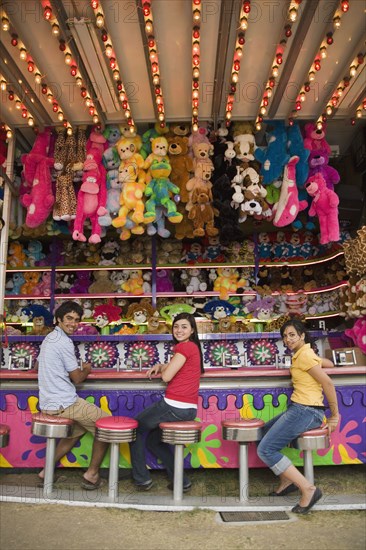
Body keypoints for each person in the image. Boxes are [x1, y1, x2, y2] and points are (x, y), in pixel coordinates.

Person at [257, 319, 339, 514]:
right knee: (262, 433)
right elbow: (329, 365)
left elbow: (328, 383)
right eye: (285, 336)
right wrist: (321, 361)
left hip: (306, 410)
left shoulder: (303, 356)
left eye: (292, 335)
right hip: (301, 409)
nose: (288, 339)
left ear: (302, 335)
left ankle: (308, 489)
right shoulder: (305, 353)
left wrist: (335, 415)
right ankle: (287, 480)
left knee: (266, 450)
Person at [37, 301, 109, 490]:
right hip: (64, 404)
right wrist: (86, 368)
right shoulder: (64, 342)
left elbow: (36, 366)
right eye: (69, 318)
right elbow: (77, 378)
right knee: (107, 425)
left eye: (76, 320)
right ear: (58, 319)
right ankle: (92, 475)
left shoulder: (49, 338)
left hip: (48, 403)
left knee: (75, 432)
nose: (73, 323)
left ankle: (46, 471)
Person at [130, 313, 204, 491]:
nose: (179, 330)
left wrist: (164, 369)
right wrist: (163, 365)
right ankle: (182, 481)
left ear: (192, 330)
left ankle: (141, 479)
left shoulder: (184, 347)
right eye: (176, 326)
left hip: (173, 405)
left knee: (135, 429)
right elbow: (179, 368)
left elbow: (167, 376)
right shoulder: (192, 347)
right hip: (188, 409)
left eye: (184, 327)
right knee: (154, 441)